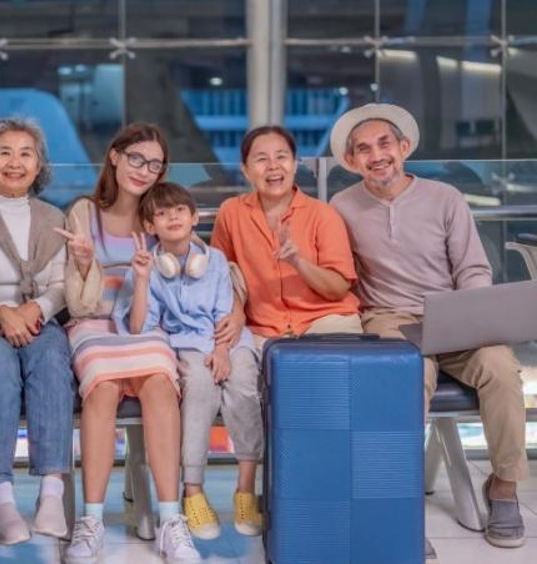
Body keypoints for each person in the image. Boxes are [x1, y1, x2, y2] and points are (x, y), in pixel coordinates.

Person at [329, 103, 528, 551]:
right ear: (351, 161)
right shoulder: (341, 206)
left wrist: (472, 313)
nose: (376, 156)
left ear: (404, 148)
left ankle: (503, 487)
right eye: (364, 149)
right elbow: (339, 273)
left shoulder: (445, 197)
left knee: (501, 370)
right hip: (389, 317)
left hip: (453, 311)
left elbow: (473, 268)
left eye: (384, 144)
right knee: (407, 376)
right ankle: (396, 500)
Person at [59, 123, 201, 563]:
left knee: (160, 384)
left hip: (144, 325)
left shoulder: (160, 216)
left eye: (154, 164)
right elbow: (75, 298)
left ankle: (171, 520)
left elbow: (201, 262)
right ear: (115, 156)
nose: (144, 170)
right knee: (101, 389)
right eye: (137, 158)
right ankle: (92, 520)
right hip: (93, 325)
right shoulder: (84, 212)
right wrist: (86, 264)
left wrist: (231, 309)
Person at [113, 182, 262, 541]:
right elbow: (137, 327)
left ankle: (245, 488)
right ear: (150, 226)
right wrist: (142, 280)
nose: (172, 217)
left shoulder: (216, 262)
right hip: (188, 345)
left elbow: (226, 314)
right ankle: (192, 490)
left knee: (244, 383)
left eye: (179, 210)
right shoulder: (148, 265)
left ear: (194, 218)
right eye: (162, 214)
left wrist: (222, 351)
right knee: (198, 386)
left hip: (228, 340)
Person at [0, 118, 75, 545]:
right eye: (5, 152)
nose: (15, 162)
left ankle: (51, 494)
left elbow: (60, 287)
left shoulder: (53, 217)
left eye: (26, 153)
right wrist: (2, 312)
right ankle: (1, 498)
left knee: (52, 358)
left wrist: (33, 311)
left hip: (38, 319)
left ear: (39, 165)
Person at [211, 125, 361, 349]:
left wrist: (298, 262)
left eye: (281, 157)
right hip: (261, 329)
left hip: (326, 320)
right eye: (262, 159)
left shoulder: (323, 214)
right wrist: (238, 313)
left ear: (294, 164)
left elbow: (338, 288)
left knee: (330, 367)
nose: (273, 166)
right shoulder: (231, 212)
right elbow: (222, 276)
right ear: (245, 170)